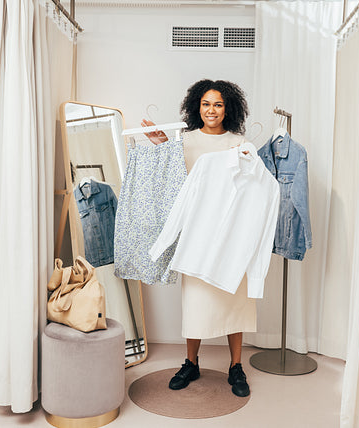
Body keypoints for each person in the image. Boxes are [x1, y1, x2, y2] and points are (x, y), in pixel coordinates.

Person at [143, 79, 253, 397]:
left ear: (228, 108)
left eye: (218, 104)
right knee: (195, 302)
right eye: (206, 104)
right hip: (197, 233)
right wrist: (162, 142)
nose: (211, 110)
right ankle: (191, 363)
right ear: (197, 107)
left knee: (234, 298)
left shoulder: (238, 142)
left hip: (232, 233)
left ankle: (236, 366)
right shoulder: (185, 141)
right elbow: (173, 176)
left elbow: (247, 187)